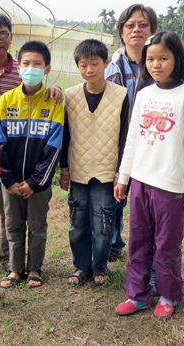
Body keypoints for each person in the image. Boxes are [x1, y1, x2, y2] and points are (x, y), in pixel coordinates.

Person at [113, 31, 184, 318]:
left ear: (177, 58)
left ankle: (168, 294)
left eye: (163, 58)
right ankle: (137, 295)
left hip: (170, 186)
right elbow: (133, 140)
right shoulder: (144, 94)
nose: (156, 64)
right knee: (139, 240)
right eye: (150, 59)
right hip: (141, 181)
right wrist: (123, 177)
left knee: (166, 245)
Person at [0, 13, 63, 276]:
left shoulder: (20, 71)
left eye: (2, 34)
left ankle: (9, 262)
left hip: (11, 153)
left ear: (11, 37)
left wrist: (54, 87)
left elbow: (38, 90)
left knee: (8, 213)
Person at [59, 39, 129, 287]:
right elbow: (65, 135)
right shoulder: (70, 95)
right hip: (78, 170)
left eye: (95, 64)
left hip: (107, 172)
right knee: (77, 223)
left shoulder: (121, 96)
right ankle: (81, 266)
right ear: (78, 66)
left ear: (106, 63)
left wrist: (122, 173)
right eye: (83, 65)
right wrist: (64, 169)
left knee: (103, 223)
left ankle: (99, 267)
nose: (89, 70)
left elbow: (125, 138)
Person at [0, 41, 64, 288]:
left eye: (37, 64)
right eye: (26, 64)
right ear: (18, 67)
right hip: (10, 181)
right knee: (12, 224)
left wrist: (35, 182)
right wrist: (9, 180)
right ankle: (15, 269)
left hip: (38, 184)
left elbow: (54, 147)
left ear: (47, 68)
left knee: (37, 225)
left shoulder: (54, 102)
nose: (31, 69)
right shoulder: (6, 101)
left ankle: (34, 268)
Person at [104, 4, 158, 265]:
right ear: (122, 32)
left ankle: (146, 251)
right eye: (130, 25)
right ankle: (113, 245)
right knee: (115, 197)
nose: (136, 29)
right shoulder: (110, 66)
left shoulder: (159, 65)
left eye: (143, 25)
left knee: (145, 200)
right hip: (116, 142)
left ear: (152, 31)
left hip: (151, 144)